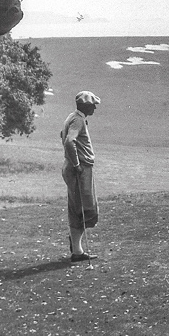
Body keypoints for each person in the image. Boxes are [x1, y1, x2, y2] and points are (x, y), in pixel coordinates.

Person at [61, 91, 101, 262]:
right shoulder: (78, 120)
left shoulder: (73, 117)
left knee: (79, 207)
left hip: (75, 167)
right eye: (93, 105)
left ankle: (77, 247)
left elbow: (62, 136)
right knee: (85, 209)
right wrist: (77, 164)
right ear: (86, 106)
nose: (94, 108)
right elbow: (69, 141)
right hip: (80, 169)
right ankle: (77, 251)